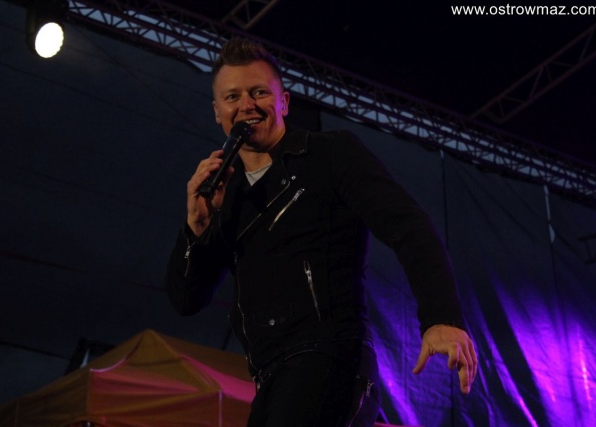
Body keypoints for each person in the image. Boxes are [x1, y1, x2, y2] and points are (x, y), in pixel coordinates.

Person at [165, 37, 477, 426]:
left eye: (259, 92)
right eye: (232, 97)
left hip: (330, 357)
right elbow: (185, 300)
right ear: (217, 111)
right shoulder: (227, 197)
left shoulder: (328, 154)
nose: (246, 105)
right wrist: (195, 227)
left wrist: (441, 317)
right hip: (270, 376)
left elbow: (408, 227)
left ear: (284, 102)